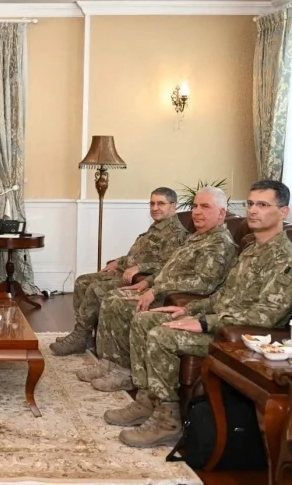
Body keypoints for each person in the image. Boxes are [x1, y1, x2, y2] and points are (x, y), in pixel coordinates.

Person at [105, 180, 292, 448]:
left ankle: (168, 423)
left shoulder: (285, 257)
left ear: (283, 212)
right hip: (219, 322)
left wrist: (204, 322)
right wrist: (189, 309)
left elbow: (266, 317)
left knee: (161, 335)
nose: (252, 210)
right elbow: (223, 295)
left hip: (242, 337)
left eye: (262, 205)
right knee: (145, 320)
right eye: (251, 203)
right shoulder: (252, 248)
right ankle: (147, 401)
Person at [79, 187, 237, 391]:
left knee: (119, 304)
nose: (197, 212)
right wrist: (149, 281)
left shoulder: (219, 244)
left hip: (177, 299)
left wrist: (156, 289)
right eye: (195, 206)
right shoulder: (198, 237)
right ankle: (109, 363)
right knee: (111, 298)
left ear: (221, 213)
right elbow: (170, 266)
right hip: (161, 290)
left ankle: (124, 372)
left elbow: (202, 282)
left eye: (205, 207)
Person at [50, 187, 188, 356]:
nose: (155, 208)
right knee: (82, 281)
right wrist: (119, 261)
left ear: (173, 206)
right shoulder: (157, 227)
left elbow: (169, 264)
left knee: (95, 289)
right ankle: (83, 335)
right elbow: (138, 254)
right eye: (152, 203)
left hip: (139, 279)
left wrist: (140, 268)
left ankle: (79, 337)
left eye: (161, 204)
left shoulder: (175, 233)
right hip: (124, 271)